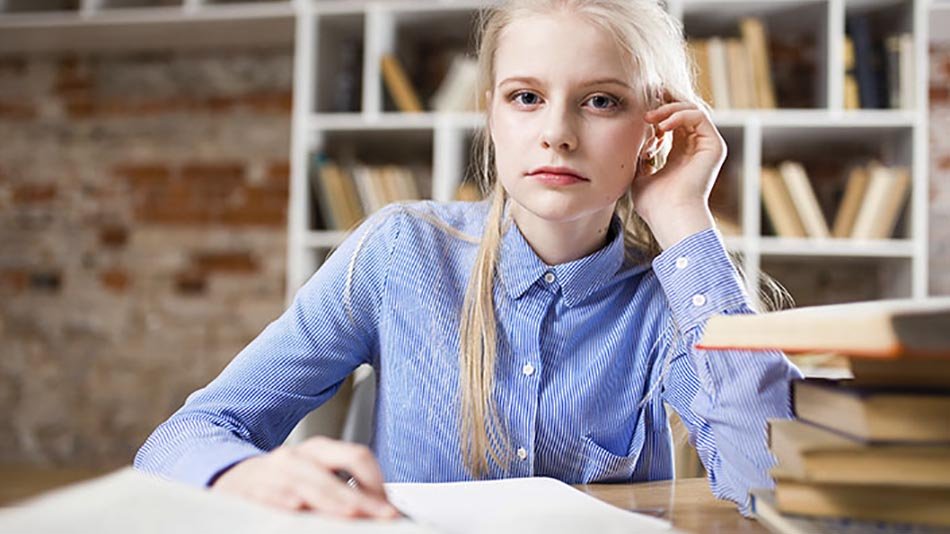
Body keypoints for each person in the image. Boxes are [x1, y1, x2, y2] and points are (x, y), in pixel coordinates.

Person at [134, 0, 801, 521]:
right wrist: (245, 473)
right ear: (492, 116)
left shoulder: (670, 298)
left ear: (654, 127)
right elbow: (182, 438)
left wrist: (683, 218)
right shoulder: (399, 252)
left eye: (601, 101)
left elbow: (774, 485)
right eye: (526, 97)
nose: (557, 134)